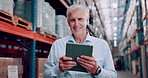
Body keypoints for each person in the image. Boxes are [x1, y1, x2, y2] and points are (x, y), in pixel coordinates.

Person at [43, 4, 117, 78]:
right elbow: (46, 74)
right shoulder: (57, 45)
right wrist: (58, 69)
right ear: (68, 23)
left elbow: (113, 75)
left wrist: (97, 70)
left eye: (80, 19)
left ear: (87, 21)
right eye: (72, 20)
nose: (76, 24)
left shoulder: (102, 45)